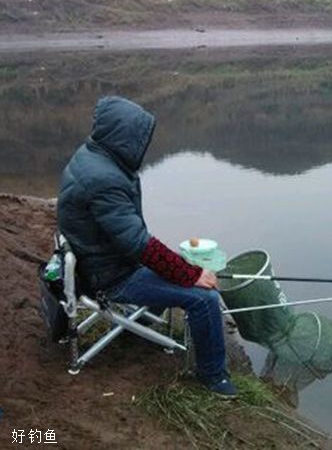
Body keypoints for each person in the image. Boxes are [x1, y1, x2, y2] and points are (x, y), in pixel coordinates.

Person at [57, 96, 237, 398]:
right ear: (123, 137)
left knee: (176, 265)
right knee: (204, 297)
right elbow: (138, 245)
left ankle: (141, 322)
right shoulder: (105, 179)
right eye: (139, 138)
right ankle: (213, 376)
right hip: (112, 276)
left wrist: (182, 269)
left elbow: (131, 237)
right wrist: (190, 273)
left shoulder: (92, 154)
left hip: (101, 260)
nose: (143, 145)